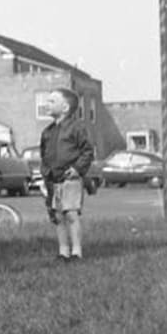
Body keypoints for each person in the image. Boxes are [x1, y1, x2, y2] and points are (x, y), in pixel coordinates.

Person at [40, 88, 96, 262]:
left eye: (52, 101)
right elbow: (44, 154)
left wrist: (78, 169)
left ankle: (76, 251)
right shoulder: (47, 132)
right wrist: (45, 173)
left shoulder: (76, 128)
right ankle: (63, 250)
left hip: (70, 178)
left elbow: (87, 151)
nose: (46, 104)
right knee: (58, 216)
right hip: (53, 179)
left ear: (65, 107)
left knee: (71, 214)